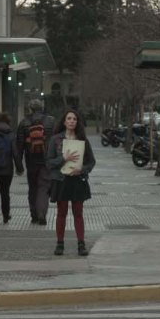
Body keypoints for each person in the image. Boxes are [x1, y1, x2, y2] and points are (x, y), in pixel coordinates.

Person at [46, 109, 96, 256]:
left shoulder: (83, 140)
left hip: (77, 181)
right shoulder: (55, 140)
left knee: (78, 213)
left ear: (77, 122)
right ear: (64, 121)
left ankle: (81, 244)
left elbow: (91, 162)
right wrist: (63, 159)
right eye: (69, 118)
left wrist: (81, 170)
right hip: (61, 181)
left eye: (74, 119)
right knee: (61, 213)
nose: (72, 121)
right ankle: (59, 243)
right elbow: (49, 163)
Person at [15, 99, 56, 225]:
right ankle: (42, 213)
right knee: (44, 188)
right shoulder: (51, 121)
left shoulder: (23, 122)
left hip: (31, 161)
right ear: (42, 108)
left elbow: (19, 146)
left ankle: (34, 215)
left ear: (30, 109)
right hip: (46, 161)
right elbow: (57, 142)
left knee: (33, 188)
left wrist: (19, 166)